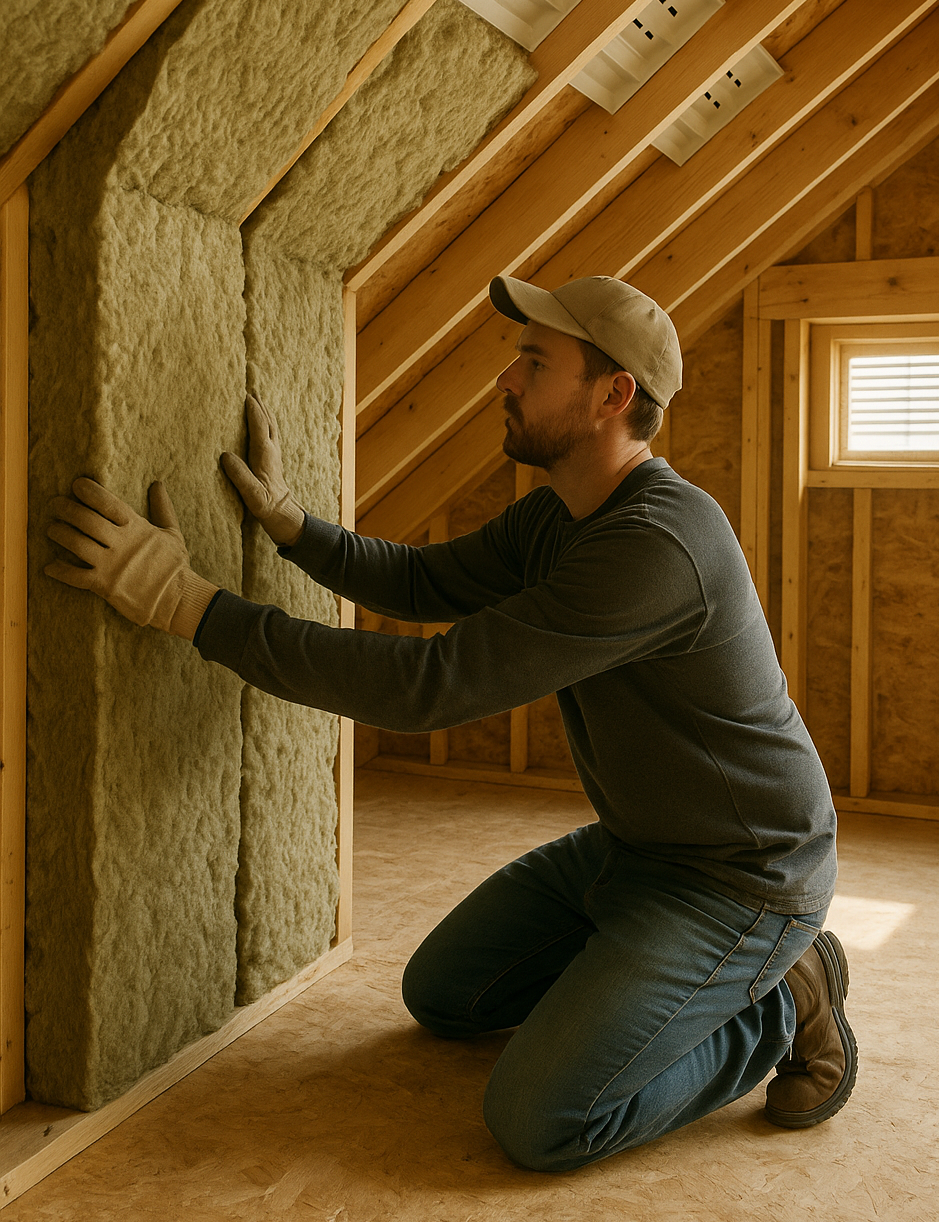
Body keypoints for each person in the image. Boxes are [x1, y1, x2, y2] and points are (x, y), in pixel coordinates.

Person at [46, 273, 857, 1171]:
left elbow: (429, 686)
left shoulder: (657, 546)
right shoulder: (564, 514)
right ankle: (645, 984)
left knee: (541, 1120)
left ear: (612, 395)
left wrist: (187, 605)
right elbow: (426, 582)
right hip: (638, 848)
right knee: (445, 996)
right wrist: (292, 527)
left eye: (534, 363)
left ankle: (786, 1001)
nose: (505, 379)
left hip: (741, 880)